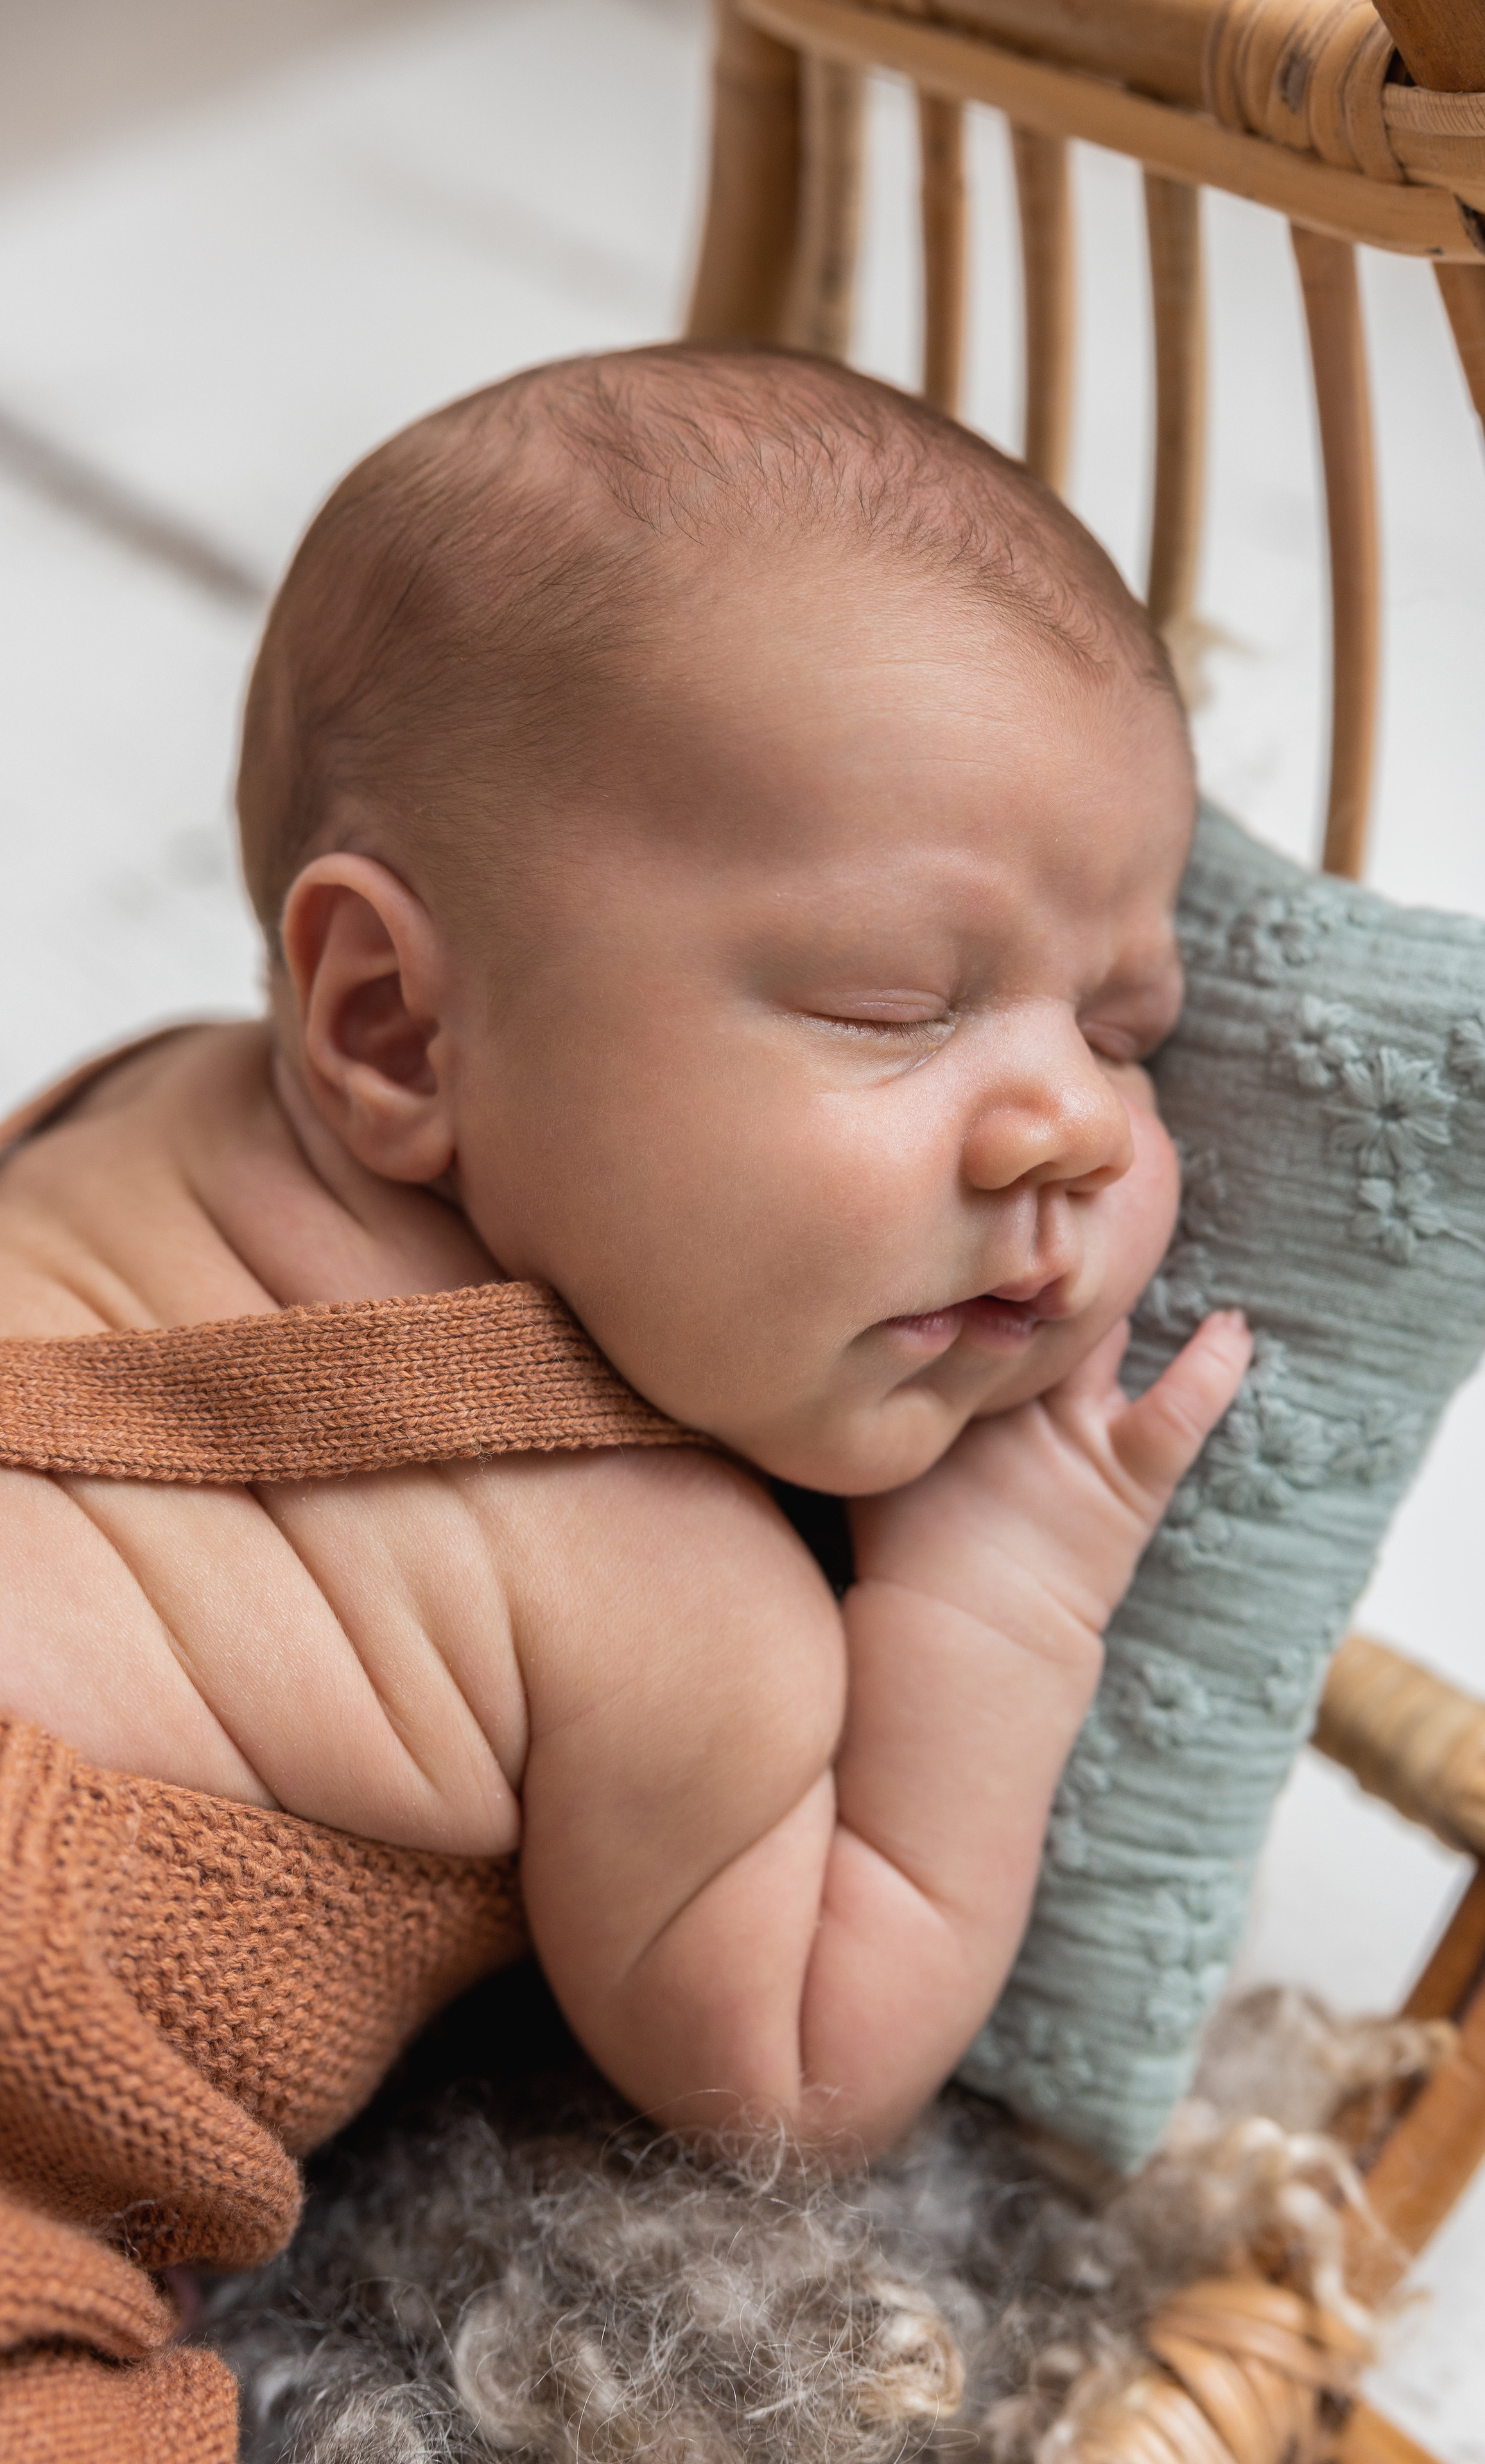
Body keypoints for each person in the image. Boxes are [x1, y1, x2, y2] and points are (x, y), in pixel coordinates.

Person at [0, 343, 1248, 2164]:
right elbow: (792, 2092)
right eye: (894, 1003)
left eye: (1126, 1028)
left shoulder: (136, 1102)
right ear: (399, 1030)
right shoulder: (674, 1601)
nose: (1071, 1121)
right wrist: (1002, 1601)